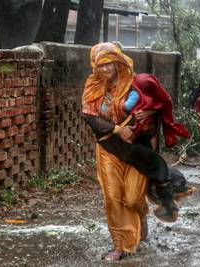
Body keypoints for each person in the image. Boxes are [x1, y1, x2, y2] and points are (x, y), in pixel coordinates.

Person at [81, 43, 189, 261]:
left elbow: (157, 108)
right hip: (108, 148)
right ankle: (121, 246)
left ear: (118, 62)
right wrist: (117, 129)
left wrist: (147, 113)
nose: (105, 69)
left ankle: (141, 216)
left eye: (109, 63)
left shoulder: (134, 84)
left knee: (131, 199)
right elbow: (89, 116)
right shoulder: (93, 86)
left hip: (136, 151)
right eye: (101, 65)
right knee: (113, 199)